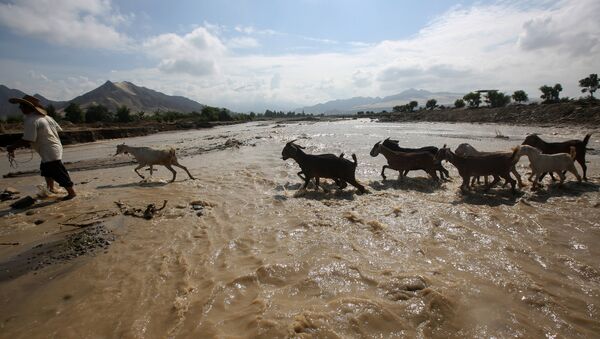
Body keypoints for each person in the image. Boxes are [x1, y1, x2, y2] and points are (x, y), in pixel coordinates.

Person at [6, 95, 76, 200]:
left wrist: (12, 147)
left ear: (28, 108)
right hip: (54, 147)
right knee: (46, 169)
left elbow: (28, 139)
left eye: (22, 106)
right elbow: (58, 130)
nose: (20, 108)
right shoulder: (48, 118)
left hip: (48, 150)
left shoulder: (31, 120)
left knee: (58, 172)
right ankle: (51, 188)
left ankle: (71, 193)